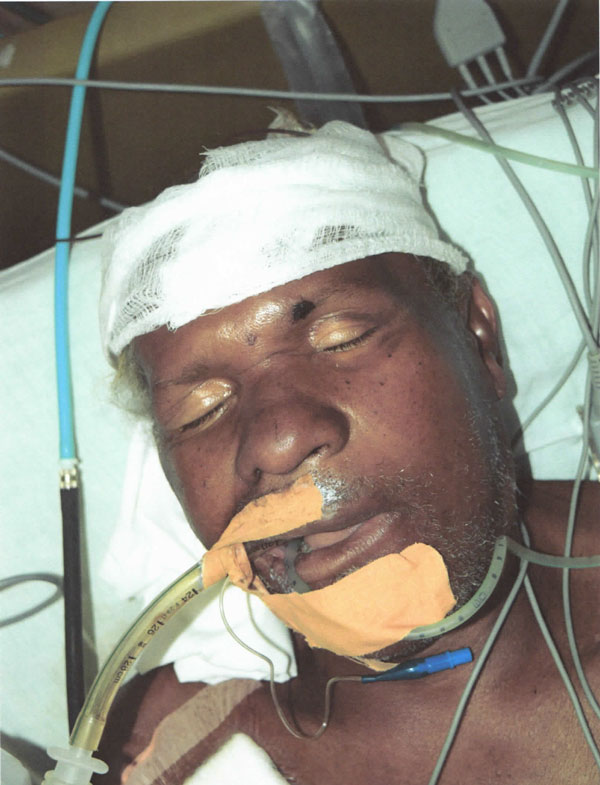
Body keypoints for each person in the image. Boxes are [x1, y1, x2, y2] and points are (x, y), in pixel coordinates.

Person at [97, 121, 599, 784]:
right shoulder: (167, 750)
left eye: (341, 339)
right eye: (200, 410)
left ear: (479, 339)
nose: (278, 442)